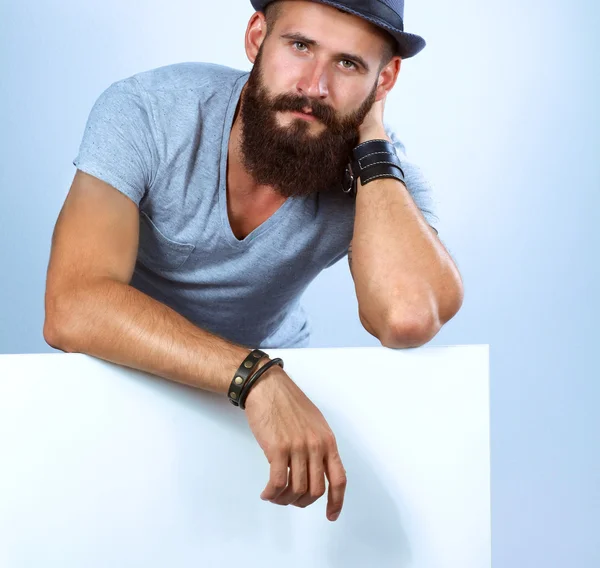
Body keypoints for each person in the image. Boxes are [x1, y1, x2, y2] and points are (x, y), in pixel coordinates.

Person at [43, 0, 464, 523]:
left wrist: (373, 141)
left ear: (385, 80)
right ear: (256, 36)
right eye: (300, 46)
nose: (315, 86)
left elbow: (407, 317)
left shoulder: (378, 175)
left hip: (267, 418)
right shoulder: (149, 110)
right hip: (126, 381)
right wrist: (254, 375)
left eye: (349, 64)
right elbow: (73, 306)